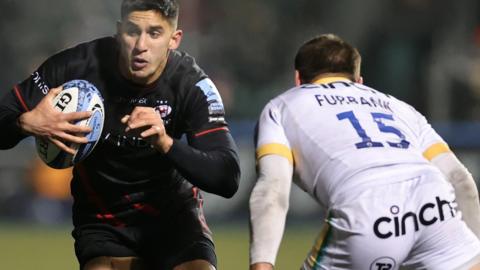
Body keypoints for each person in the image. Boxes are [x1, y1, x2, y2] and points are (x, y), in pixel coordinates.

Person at [0, 0, 241, 269]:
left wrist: (165, 142)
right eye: (132, 31)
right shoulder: (76, 66)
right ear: (118, 32)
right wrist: (25, 123)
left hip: (174, 218)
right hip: (104, 222)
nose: (140, 46)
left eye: (154, 33)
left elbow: (227, 178)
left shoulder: (192, 85)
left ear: (174, 39)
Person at [249, 34, 480, 270]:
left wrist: (262, 264)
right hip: (434, 202)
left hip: (366, 204)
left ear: (298, 80)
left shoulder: (281, 106)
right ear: (359, 81)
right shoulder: (399, 107)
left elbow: (272, 190)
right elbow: (460, 180)